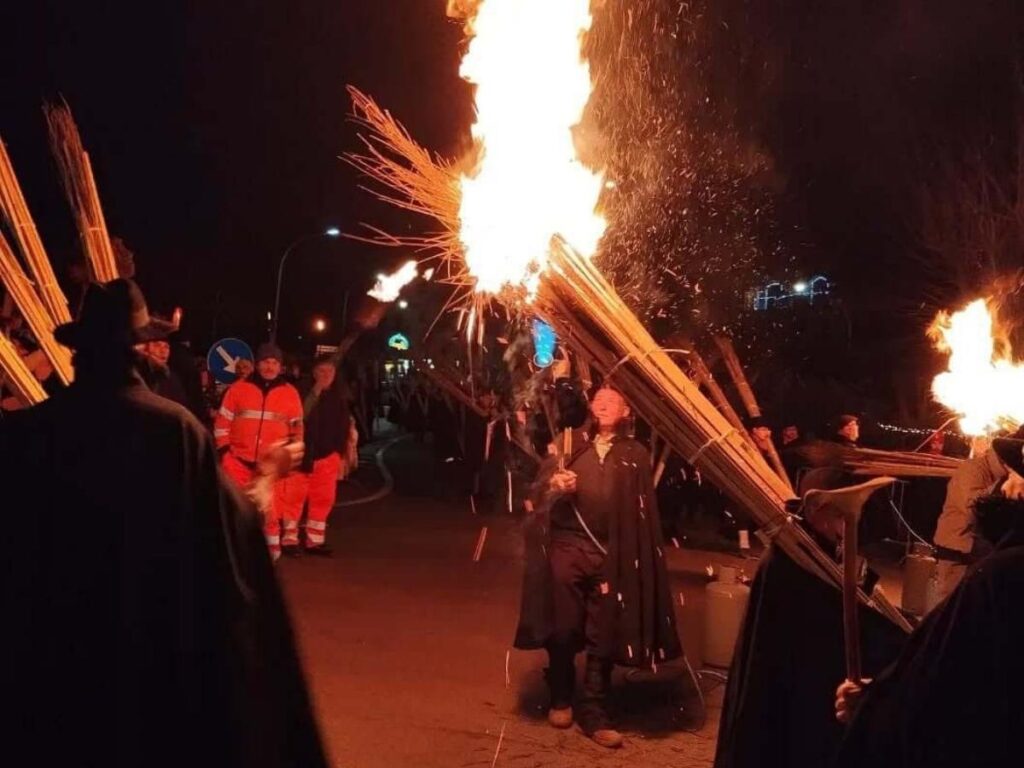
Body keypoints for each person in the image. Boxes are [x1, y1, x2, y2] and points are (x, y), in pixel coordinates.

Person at [0, 279, 327, 767]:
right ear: (137, 352)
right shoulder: (174, 432)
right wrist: (267, 475)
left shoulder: (29, 433)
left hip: (48, 667)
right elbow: (231, 548)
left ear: (77, 353)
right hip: (147, 663)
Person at [834, 432, 1024, 767]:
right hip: (958, 554)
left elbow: (944, 686)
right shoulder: (974, 472)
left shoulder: (1003, 575)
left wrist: (874, 704)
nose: (1012, 483)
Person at [514, 385, 683, 749]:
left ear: (626, 412)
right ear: (591, 407)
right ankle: (561, 694)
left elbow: (643, 513)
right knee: (564, 624)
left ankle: (593, 711)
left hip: (612, 554)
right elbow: (537, 492)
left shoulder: (636, 454)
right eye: (599, 399)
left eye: (614, 401)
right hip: (567, 546)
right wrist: (555, 486)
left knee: (602, 631)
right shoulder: (570, 442)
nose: (604, 404)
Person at [714, 469, 907, 768]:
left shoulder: (819, 548)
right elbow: (818, 625)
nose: (846, 526)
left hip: (807, 688)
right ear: (818, 508)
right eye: (839, 515)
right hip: (791, 694)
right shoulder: (792, 558)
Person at [215, 342, 304, 559]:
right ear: (257, 364)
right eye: (265, 362)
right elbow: (222, 424)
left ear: (281, 367)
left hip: (271, 468)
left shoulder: (290, 394)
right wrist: (225, 453)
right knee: (237, 511)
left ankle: (271, 556)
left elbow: (297, 430)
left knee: (271, 513)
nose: (270, 367)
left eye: (274, 363)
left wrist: (288, 460)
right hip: (238, 462)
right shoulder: (238, 389)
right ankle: (236, 556)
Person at [284, 355, 357, 556]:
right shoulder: (301, 393)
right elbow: (299, 417)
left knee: (323, 500)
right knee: (293, 499)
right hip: (301, 456)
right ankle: (289, 539)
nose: (326, 376)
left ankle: (314, 541)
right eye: (322, 371)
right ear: (314, 373)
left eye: (330, 372)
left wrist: (339, 453)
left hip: (327, 457)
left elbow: (343, 426)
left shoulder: (338, 397)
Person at [930, 434, 1009, 599]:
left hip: (980, 550)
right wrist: (1001, 485)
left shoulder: (997, 473)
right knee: (948, 604)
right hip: (959, 548)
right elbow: (972, 507)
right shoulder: (972, 469)